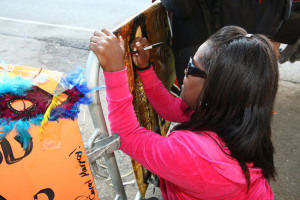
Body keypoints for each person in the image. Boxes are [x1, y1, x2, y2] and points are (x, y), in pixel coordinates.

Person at [89, 25, 278, 199]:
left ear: (214, 88)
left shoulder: (194, 155)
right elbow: (170, 107)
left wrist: (114, 71)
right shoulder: (237, 119)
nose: (185, 70)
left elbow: (127, 135)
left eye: (192, 67)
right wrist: (145, 69)